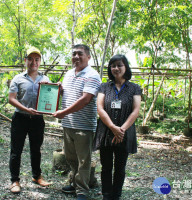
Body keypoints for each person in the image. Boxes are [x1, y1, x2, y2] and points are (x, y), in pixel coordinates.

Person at [53, 44, 101, 200]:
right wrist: (59, 91)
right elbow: (67, 95)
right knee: (70, 157)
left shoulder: (92, 75)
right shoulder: (68, 74)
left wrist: (63, 113)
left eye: (80, 54)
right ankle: (75, 183)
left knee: (83, 160)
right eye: (74, 54)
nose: (76, 57)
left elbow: (85, 100)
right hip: (68, 124)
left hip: (84, 126)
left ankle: (82, 190)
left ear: (88, 56)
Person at [93, 54, 142, 200]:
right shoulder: (104, 87)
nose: (116, 68)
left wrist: (122, 130)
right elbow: (100, 109)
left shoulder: (134, 88)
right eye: (113, 65)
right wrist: (113, 127)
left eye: (119, 65)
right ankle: (106, 194)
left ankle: (116, 195)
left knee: (120, 168)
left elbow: (135, 110)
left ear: (125, 67)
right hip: (106, 132)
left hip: (124, 133)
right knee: (106, 166)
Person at [8, 47, 51, 194]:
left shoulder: (45, 80)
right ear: (25, 60)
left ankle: (37, 176)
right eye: (31, 59)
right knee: (16, 151)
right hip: (20, 118)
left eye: (37, 59)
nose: (34, 62)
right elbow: (11, 99)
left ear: (40, 62)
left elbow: (50, 98)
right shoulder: (18, 78)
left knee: (36, 149)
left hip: (38, 120)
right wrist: (26, 109)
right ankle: (15, 180)